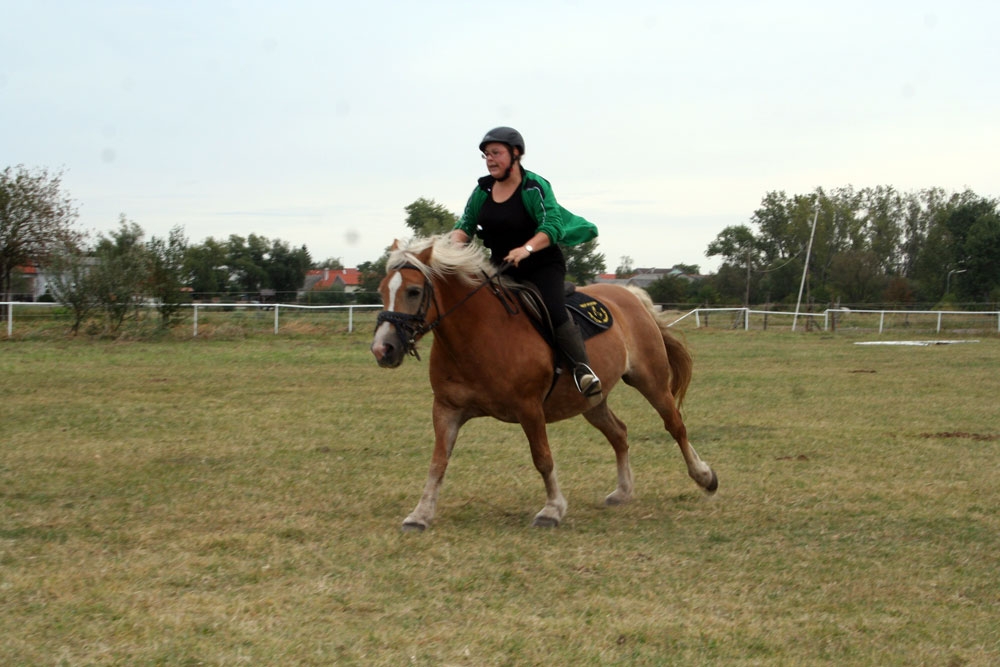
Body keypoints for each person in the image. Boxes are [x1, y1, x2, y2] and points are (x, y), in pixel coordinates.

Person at [450, 126, 603, 402]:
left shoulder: (535, 187)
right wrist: (447, 249)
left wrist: (526, 248)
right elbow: (465, 226)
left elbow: (552, 226)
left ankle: (583, 370)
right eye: (486, 155)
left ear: (516, 154)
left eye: (496, 153)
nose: (490, 159)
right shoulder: (482, 190)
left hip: (543, 265)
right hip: (502, 269)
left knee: (554, 309)